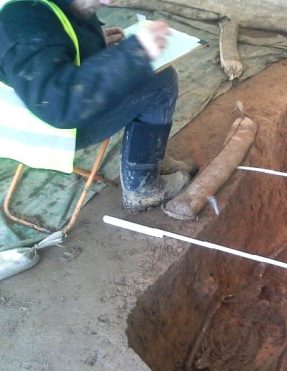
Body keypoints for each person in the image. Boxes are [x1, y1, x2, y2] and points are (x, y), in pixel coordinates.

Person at [0, 0, 197, 212]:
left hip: (46, 110)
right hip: (50, 130)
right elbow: (59, 105)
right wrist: (131, 54)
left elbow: (48, 45)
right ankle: (142, 187)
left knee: (156, 77)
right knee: (162, 83)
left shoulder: (41, 9)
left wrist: (90, 42)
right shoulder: (23, 20)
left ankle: (153, 159)